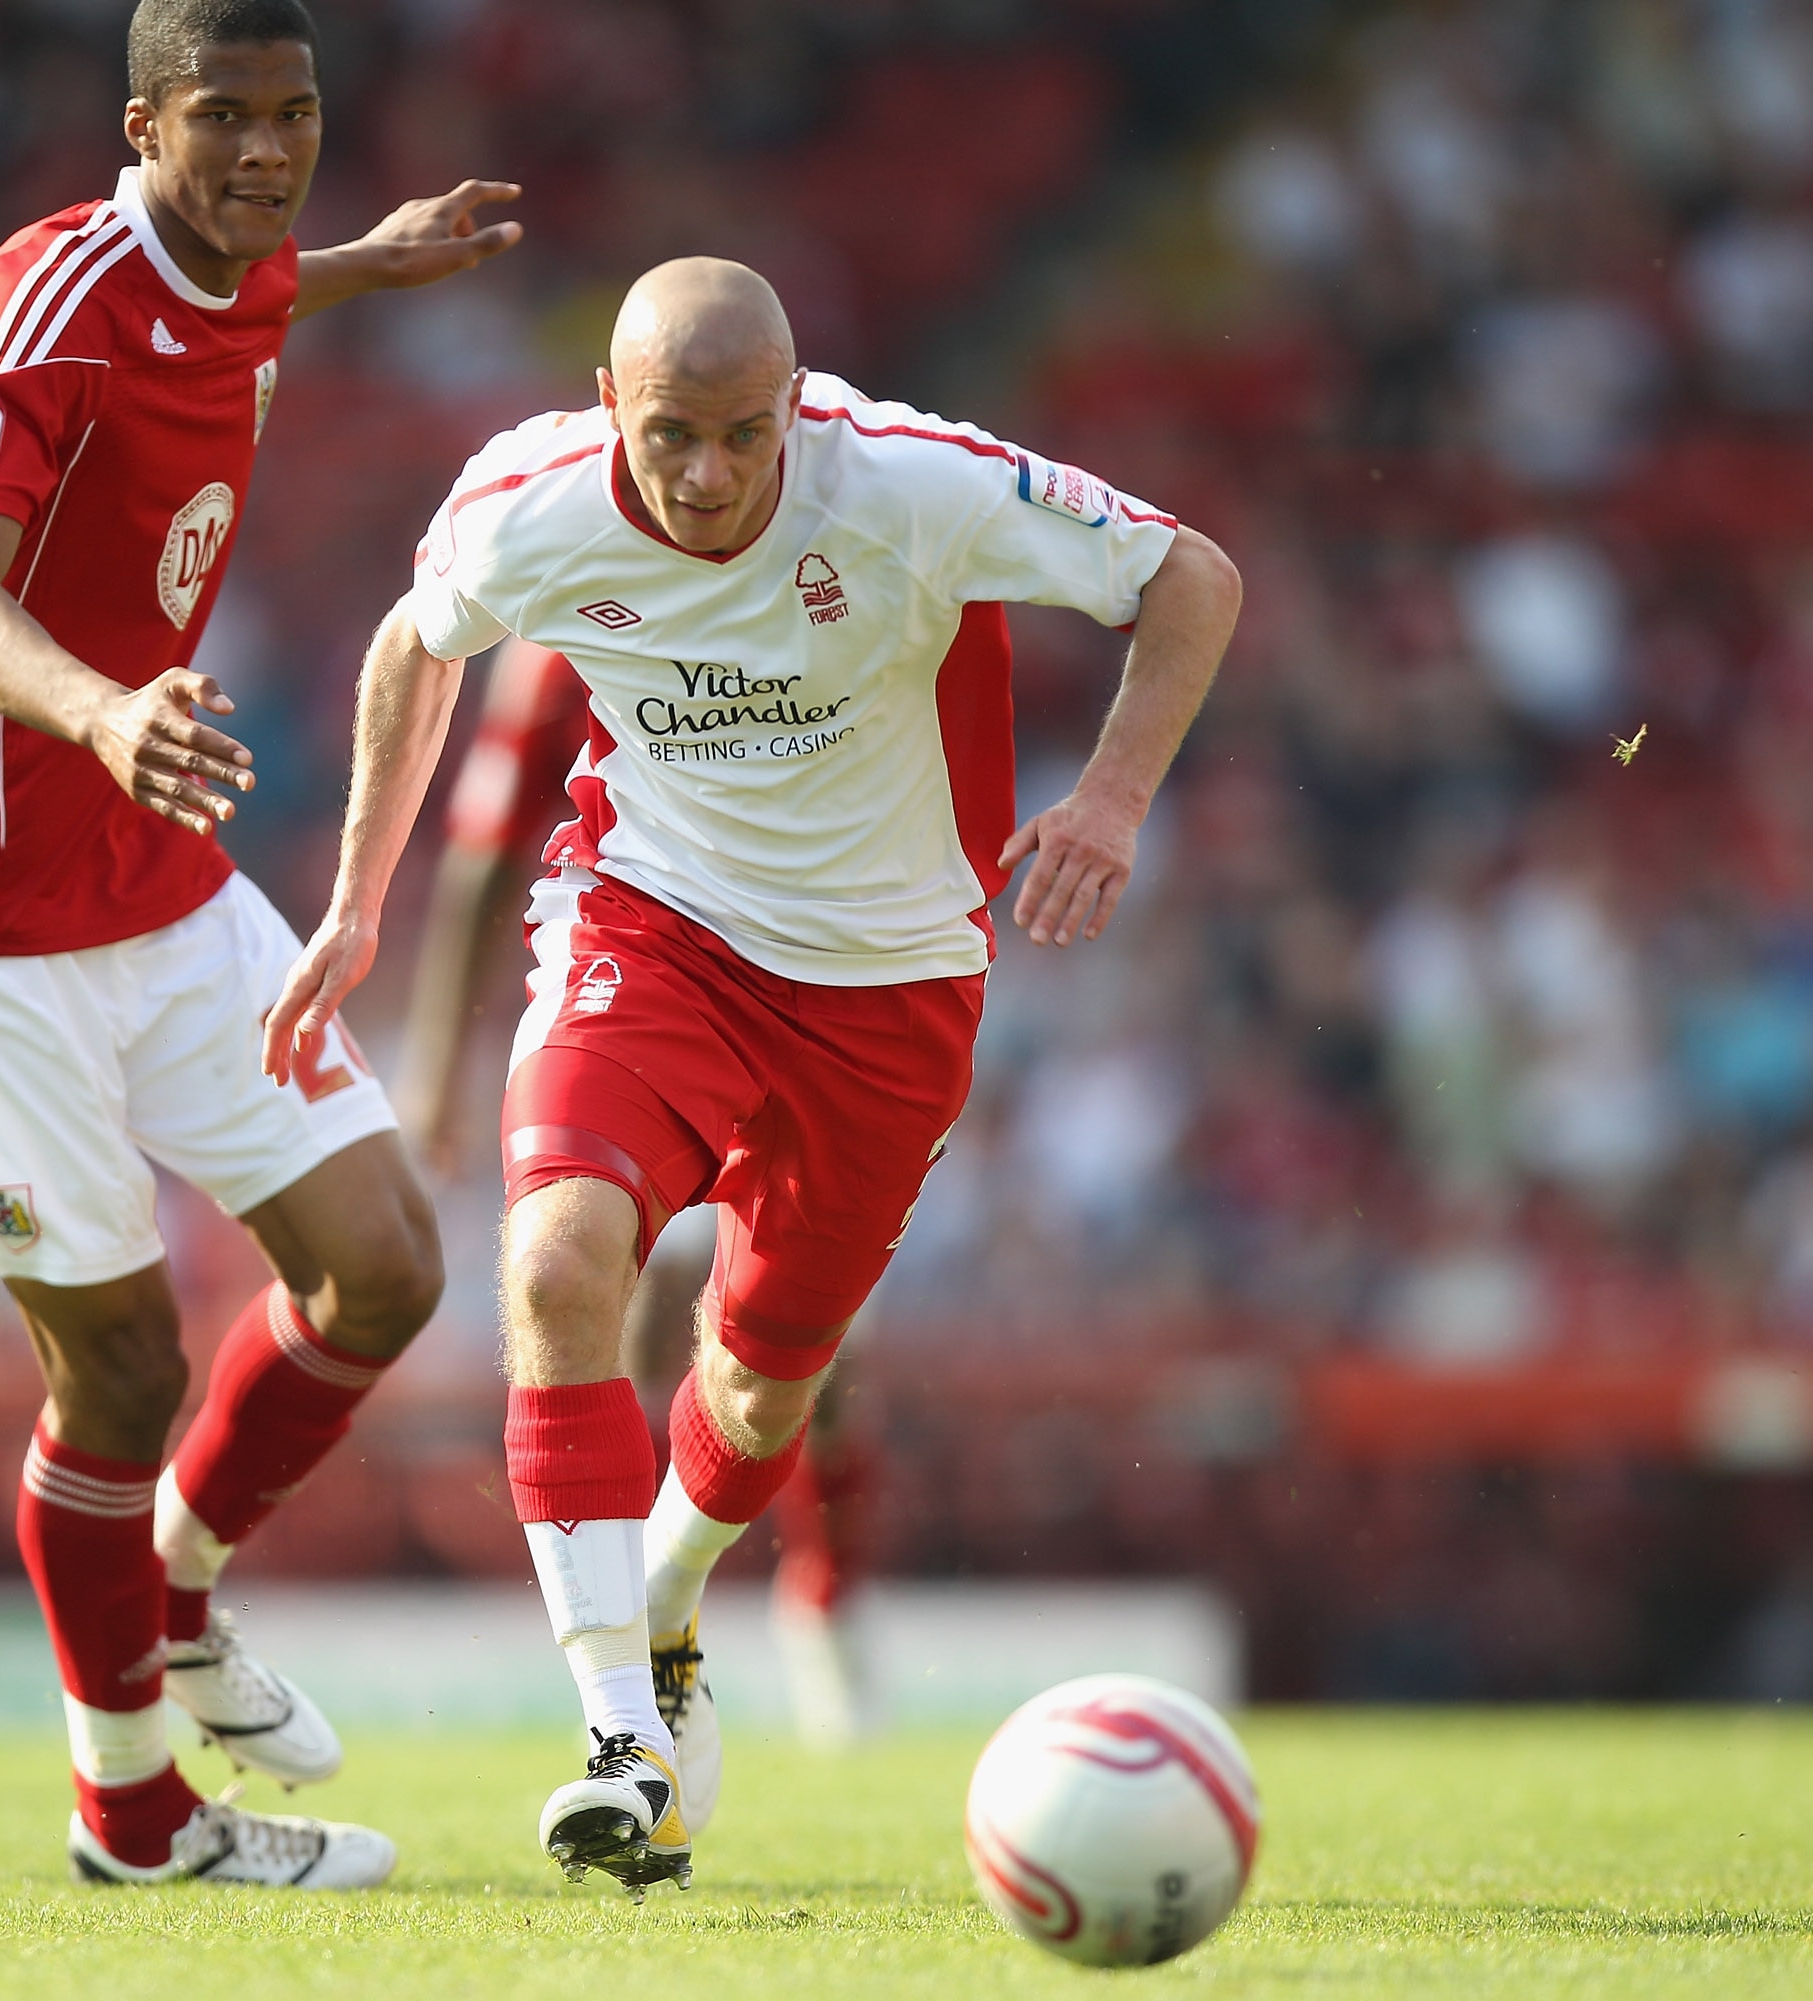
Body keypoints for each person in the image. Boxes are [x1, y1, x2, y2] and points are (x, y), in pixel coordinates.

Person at [267, 258, 1242, 1895]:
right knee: (563, 1259)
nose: (707, 477)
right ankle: (615, 1735)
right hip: (656, 923)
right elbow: (410, 649)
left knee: (767, 1388)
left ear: (794, 409)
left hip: (890, 982)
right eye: (670, 438)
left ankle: (665, 1613)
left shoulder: (913, 485)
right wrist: (357, 902)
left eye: (739, 435)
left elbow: (1192, 575)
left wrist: (1114, 801)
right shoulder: (529, 505)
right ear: (608, 409)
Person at [0, 0, 520, 1891]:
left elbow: (259, 290)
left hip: (155, 877)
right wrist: (104, 711)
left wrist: (387, 259)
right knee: (116, 1371)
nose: (271, 151)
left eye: (296, 114)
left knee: (383, 1263)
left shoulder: (251, 265)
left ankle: (182, 1584)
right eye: (227, 117)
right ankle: (132, 1815)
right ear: (145, 123)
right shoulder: (41, 304)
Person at [394, 633, 922, 1748]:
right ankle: (634, 1662)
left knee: (810, 1350)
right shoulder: (568, 611)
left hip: (819, 997)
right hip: (648, 995)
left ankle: (818, 1592)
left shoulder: (823, 566)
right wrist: (435, 1067)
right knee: (614, 1310)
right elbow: (484, 846)